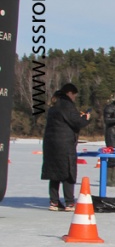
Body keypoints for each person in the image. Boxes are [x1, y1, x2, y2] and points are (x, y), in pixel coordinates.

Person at [41, 83, 90, 211]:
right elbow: (76, 122)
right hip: (64, 144)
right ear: (69, 93)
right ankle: (69, 202)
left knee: (54, 173)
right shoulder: (67, 105)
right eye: (74, 95)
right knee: (68, 173)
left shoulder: (54, 105)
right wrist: (86, 119)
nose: (74, 98)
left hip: (50, 144)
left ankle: (54, 202)